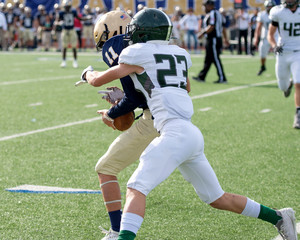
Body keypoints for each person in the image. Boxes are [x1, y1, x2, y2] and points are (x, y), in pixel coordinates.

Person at [80, 8, 297, 240]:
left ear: (141, 33)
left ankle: (121, 237)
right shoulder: (179, 53)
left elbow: (97, 81)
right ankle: (278, 217)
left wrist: (87, 73)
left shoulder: (137, 52)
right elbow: (185, 87)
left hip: (173, 133)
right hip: (190, 134)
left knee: (136, 187)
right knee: (217, 198)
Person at [90, 10, 160, 239]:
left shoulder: (119, 45)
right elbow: (149, 89)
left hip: (156, 120)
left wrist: (112, 113)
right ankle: (275, 216)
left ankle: (117, 232)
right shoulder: (156, 45)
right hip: (180, 119)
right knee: (214, 195)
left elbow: (135, 99)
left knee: (106, 168)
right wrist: (127, 97)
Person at [268, 0, 300, 129]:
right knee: (282, 86)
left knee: (299, 83)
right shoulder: (278, 12)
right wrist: (274, 46)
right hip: (283, 52)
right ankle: (288, 85)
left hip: (298, 52)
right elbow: (270, 34)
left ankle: (298, 114)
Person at [193, 0, 228, 83]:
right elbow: (223, 28)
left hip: (213, 39)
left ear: (210, 6)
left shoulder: (213, 13)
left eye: (205, 6)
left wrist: (202, 33)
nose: (204, 8)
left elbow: (211, 26)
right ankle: (202, 76)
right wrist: (225, 38)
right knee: (208, 59)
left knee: (215, 59)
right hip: (213, 39)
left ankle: (222, 78)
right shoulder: (217, 13)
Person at [254, 0, 276, 76]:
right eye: (268, 6)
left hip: (275, 37)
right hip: (265, 37)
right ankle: (263, 66)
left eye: (271, 6)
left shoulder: (277, 14)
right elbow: (258, 27)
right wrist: (256, 38)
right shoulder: (262, 15)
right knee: (262, 55)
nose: (269, 8)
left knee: (279, 55)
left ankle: (281, 69)